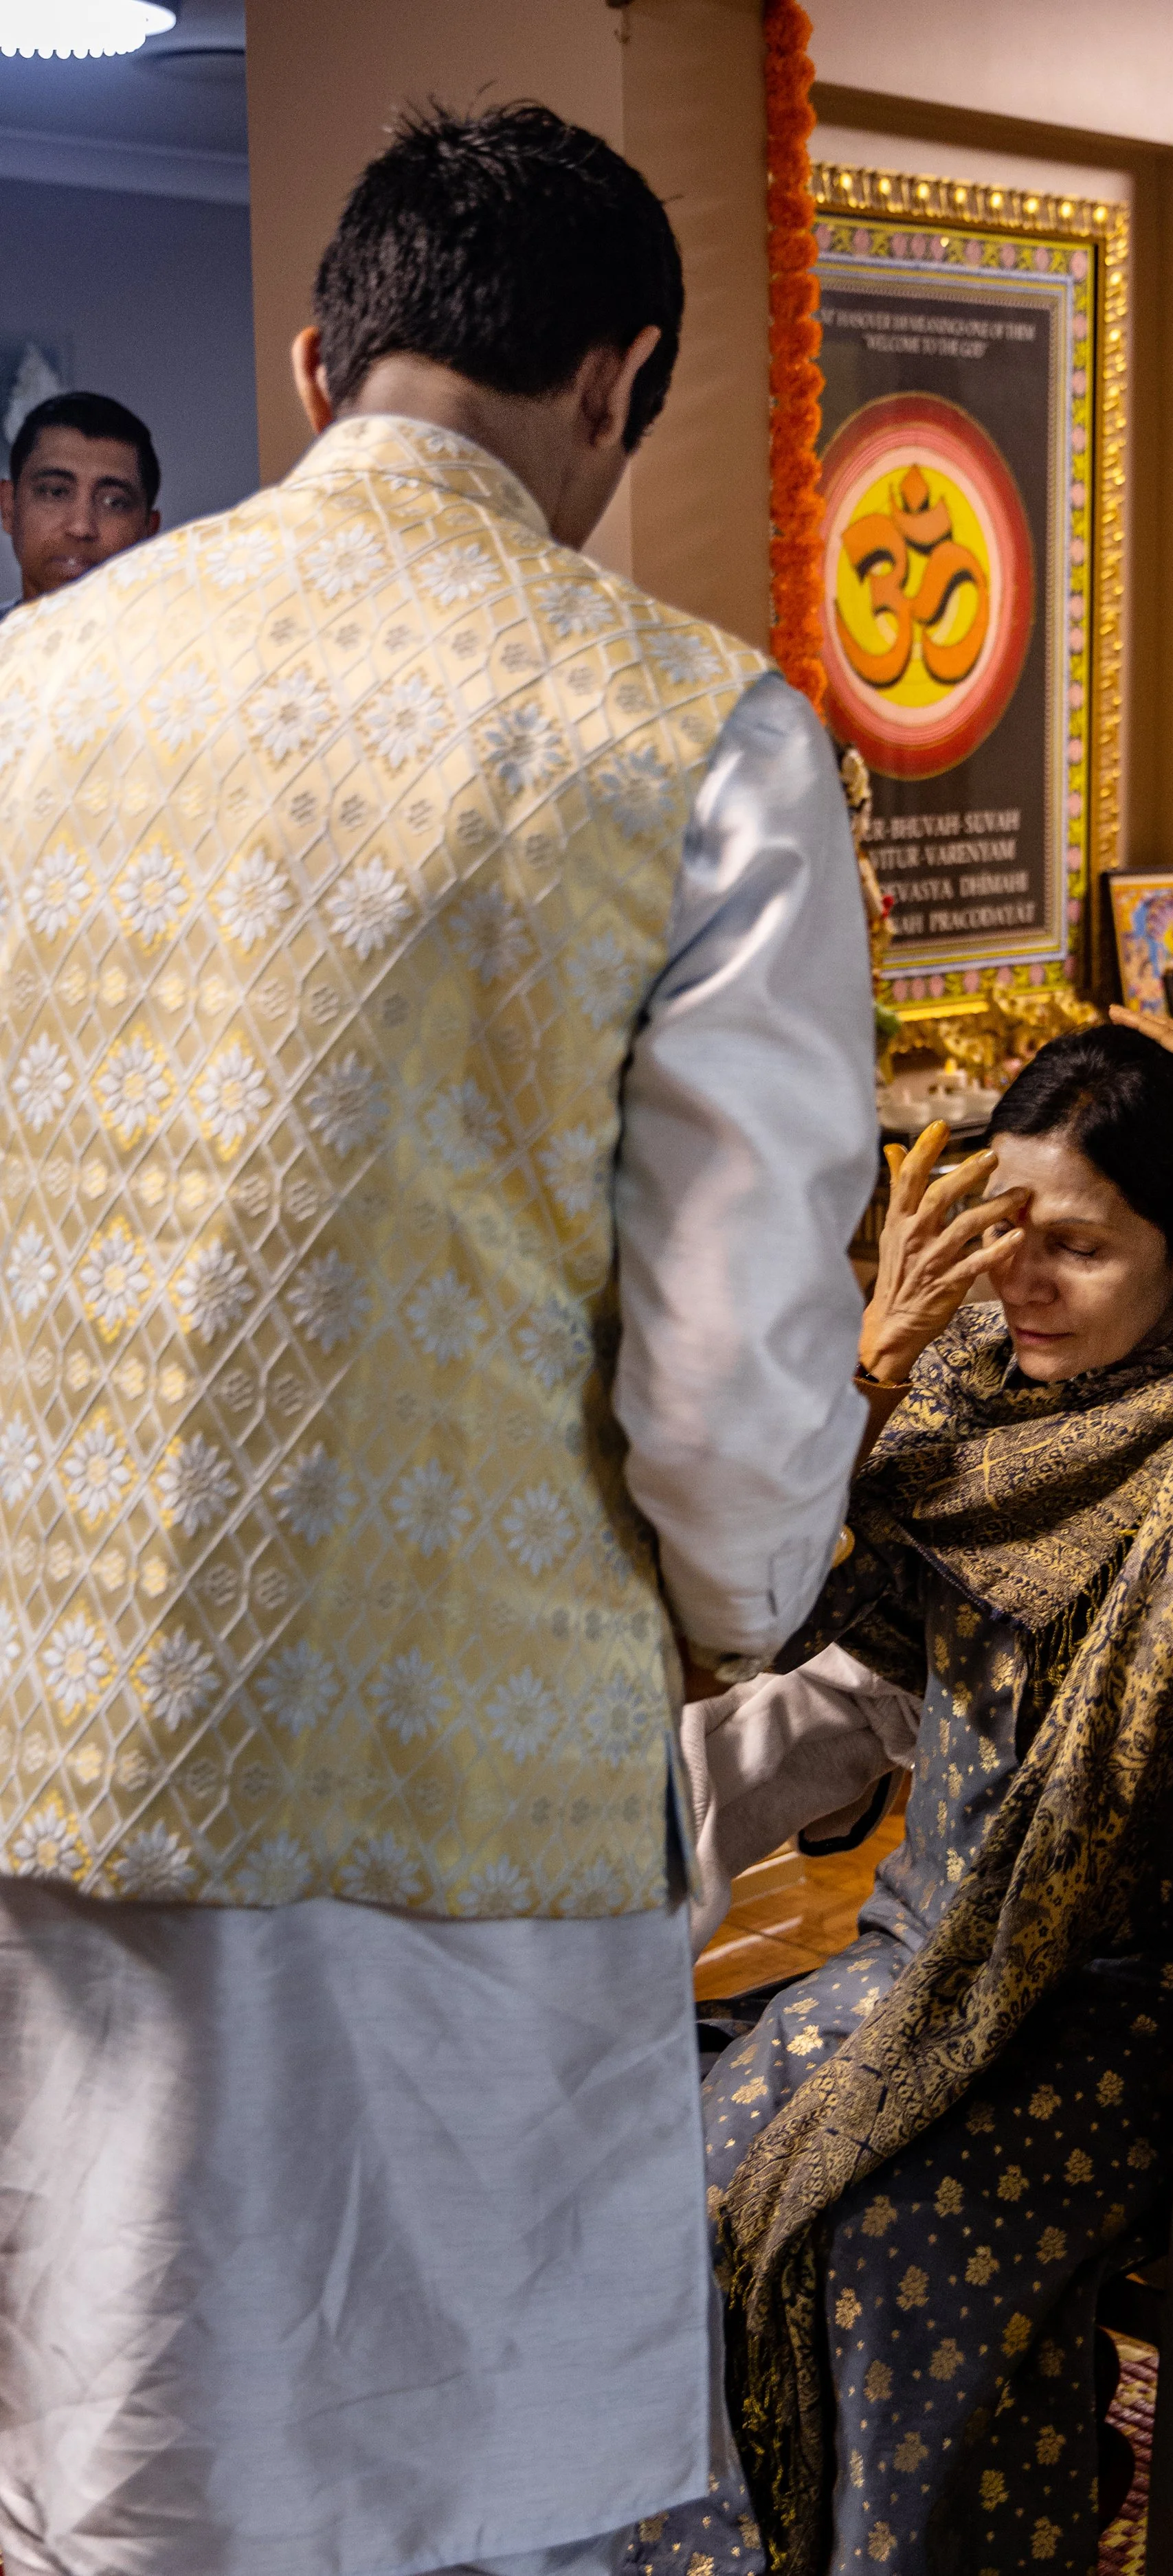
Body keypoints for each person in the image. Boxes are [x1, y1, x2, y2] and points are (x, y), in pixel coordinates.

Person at [0, 104, 876, 2576]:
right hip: (446, 1812)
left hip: (40, 1743)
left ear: (310, 362)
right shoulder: (684, 735)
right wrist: (738, 1620)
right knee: (418, 2483)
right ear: (619, 387)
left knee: (91, 2437)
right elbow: (726, 1392)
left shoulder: (28, 691)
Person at [645, 1013, 1173, 2576]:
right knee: (675, 2211)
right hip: (917, 1960)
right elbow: (787, 1626)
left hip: (1142, 2012)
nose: (1020, 1281)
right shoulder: (971, 1387)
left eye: (1077, 1244)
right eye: (1005, 1232)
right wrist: (866, 1372)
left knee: (892, 2253)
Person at [0, 388, 160, 609]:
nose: (81, 528)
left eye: (113, 502)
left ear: (148, 532)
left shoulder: (197, 643)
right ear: (8, 507)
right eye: (56, 492)